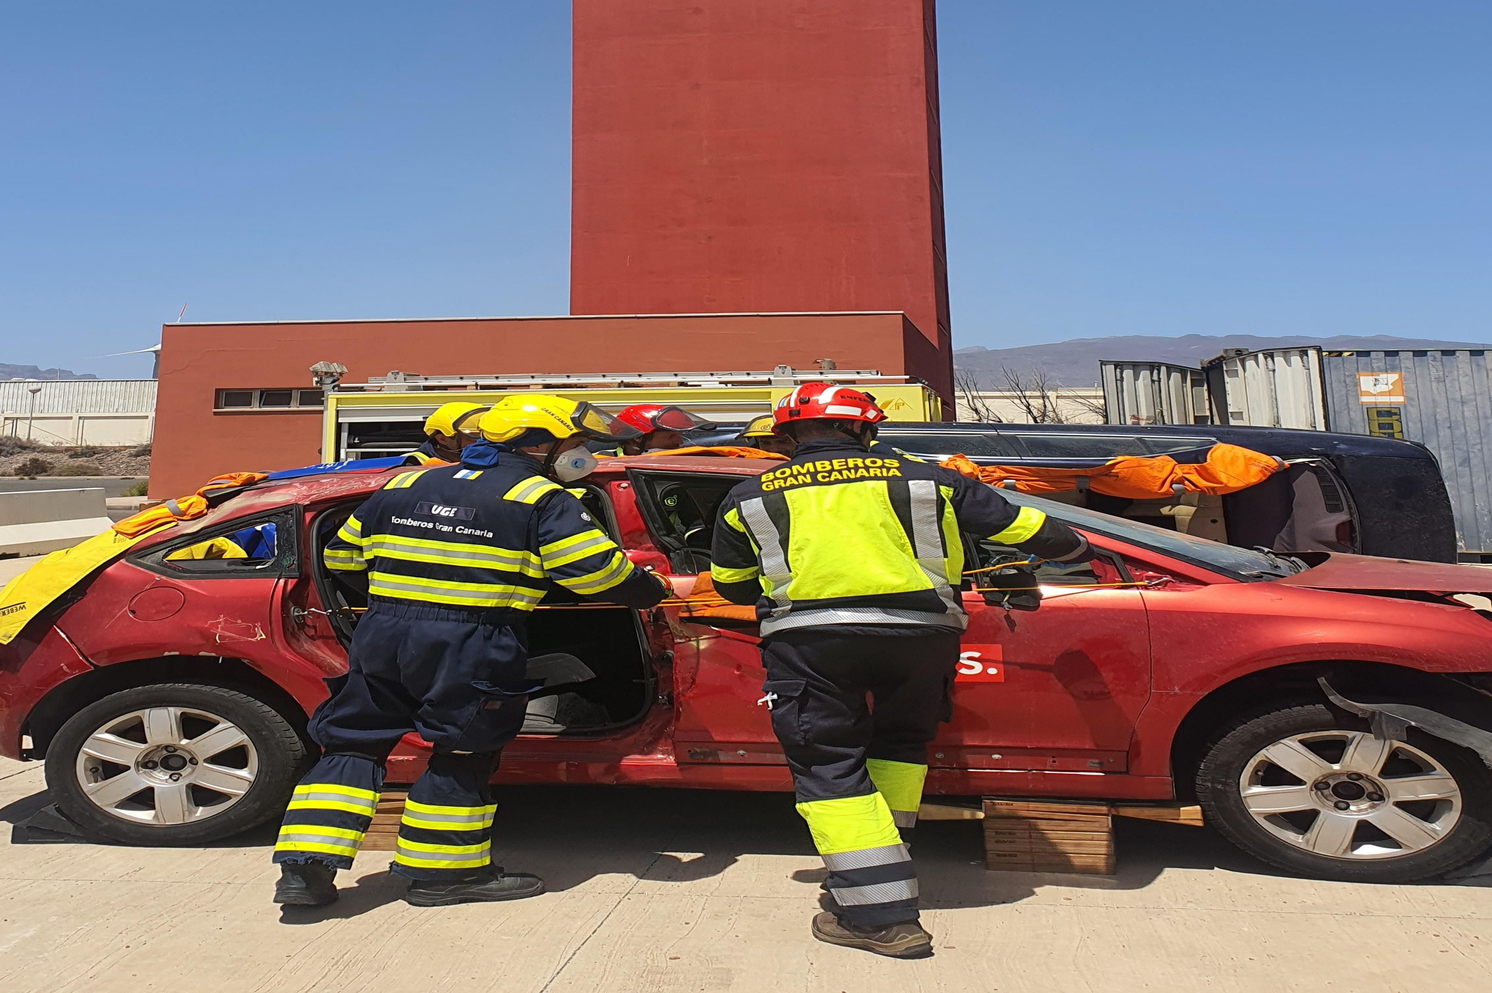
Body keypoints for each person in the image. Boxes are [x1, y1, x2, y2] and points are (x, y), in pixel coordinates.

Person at [708, 382, 1091, 959]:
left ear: (786, 436)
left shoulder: (748, 496)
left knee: (829, 764)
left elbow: (730, 585)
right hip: (922, 637)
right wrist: (1076, 550)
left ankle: (878, 916)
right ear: (866, 429)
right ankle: (883, 863)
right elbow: (1031, 532)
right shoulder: (928, 478)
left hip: (810, 644)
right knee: (900, 743)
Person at [270, 393, 669, 910]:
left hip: (384, 634)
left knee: (353, 742)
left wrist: (414, 584)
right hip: (473, 641)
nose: (584, 453)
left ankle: (304, 871)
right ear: (541, 444)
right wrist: (652, 588)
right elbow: (595, 575)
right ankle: (442, 876)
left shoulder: (410, 481)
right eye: (578, 443)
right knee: (462, 749)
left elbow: (342, 554)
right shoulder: (542, 498)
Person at [604, 403, 713, 455]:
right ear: (638, 437)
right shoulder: (600, 464)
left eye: (679, 435)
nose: (679, 442)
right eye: (671, 436)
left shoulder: (684, 465)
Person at [418, 400, 487, 462]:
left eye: (485, 437)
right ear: (442, 439)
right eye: (473, 437)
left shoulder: (485, 461)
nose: (482, 442)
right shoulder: (414, 464)